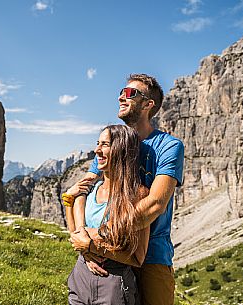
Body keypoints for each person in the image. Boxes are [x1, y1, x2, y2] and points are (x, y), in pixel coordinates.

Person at [67, 74, 184, 305]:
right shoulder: (115, 144)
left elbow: (155, 203)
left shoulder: (169, 147)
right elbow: (81, 191)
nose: (122, 96)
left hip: (151, 256)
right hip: (109, 255)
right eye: (122, 91)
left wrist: (99, 238)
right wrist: (86, 245)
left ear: (148, 104)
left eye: (131, 93)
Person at [64, 124, 150, 305]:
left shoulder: (138, 194)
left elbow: (137, 257)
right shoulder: (90, 189)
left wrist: (93, 247)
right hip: (81, 274)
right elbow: (76, 236)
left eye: (105, 144)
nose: (97, 150)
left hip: (113, 282)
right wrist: (69, 201)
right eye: (98, 143)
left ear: (122, 150)